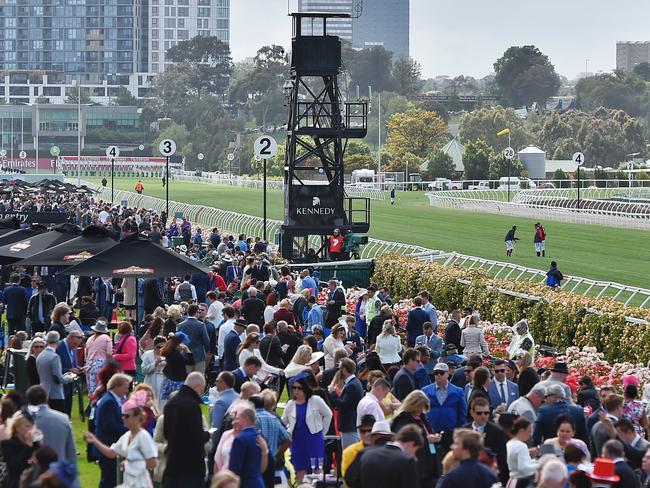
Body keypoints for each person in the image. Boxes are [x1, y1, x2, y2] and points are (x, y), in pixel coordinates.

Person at [84, 390, 158, 488]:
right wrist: (95, 440)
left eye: (126, 416)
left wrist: (131, 465)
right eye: (122, 415)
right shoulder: (126, 436)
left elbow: (152, 462)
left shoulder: (143, 437)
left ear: (137, 417)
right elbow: (111, 453)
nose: (123, 418)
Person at [282, 372, 332, 483]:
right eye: (294, 388)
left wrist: (322, 432)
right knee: (300, 470)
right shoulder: (290, 404)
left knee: (317, 470)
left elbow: (328, 414)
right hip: (297, 442)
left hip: (314, 440)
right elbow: (283, 422)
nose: (296, 390)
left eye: (299, 388)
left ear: (305, 388)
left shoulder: (316, 400)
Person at [164, 372, 210, 487]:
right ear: (198, 387)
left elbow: (166, 434)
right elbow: (197, 436)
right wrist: (207, 435)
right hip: (191, 467)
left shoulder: (170, 403)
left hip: (172, 463)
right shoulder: (192, 405)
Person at [391, 390, 440, 487]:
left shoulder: (423, 418)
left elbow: (429, 432)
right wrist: (427, 440)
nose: (421, 410)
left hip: (430, 462)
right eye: (419, 407)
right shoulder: (403, 420)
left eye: (424, 407)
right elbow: (406, 441)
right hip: (417, 463)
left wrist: (435, 437)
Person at [94, 373, 131, 488]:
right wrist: (130, 430)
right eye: (125, 387)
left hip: (110, 446)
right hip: (107, 446)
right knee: (109, 480)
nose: (127, 391)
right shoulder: (109, 401)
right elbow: (109, 426)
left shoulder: (112, 399)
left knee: (112, 479)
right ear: (116, 386)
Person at [357, 424, 423, 488]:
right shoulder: (407, 461)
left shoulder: (367, 454)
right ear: (412, 443)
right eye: (415, 450)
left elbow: (354, 481)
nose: (414, 455)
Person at [464, 397, 509, 485]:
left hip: (488, 475)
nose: (483, 416)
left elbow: (502, 457)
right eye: (479, 413)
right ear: (472, 413)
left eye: (486, 413)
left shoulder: (497, 431)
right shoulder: (465, 430)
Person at [423, 362, 467, 451]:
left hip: (451, 433)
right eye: (436, 373)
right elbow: (421, 412)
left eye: (441, 373)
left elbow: (462, 412)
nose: (438, 375)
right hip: (432, 433)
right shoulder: (425, 391)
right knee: (433, 454)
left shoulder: (458, 391)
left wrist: (460, 431)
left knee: (451, 456)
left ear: (447, 374)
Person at [228, 405, 266, 488]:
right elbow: (264, 466)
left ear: (246, 419)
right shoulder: (261, 437)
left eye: (238, 418)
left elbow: (234, 470)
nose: (235, 421)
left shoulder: (240, 439)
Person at [1, 410, 41, 488]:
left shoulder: (35, 443)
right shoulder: (7, 444)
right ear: (17, 428)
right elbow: (15, 466)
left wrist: (40, 445)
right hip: (15, 484)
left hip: (33, 482)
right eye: (27, 426)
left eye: (32, 426)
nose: (31, 429)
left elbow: (42, 462)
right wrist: (28, 445)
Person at [36, 331, 73, 414]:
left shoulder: (40, 355)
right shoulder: (54, 357)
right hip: (55, 394)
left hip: (44, 392)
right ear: (57, 341)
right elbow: (58, 379)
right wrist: (70, 377)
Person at [55, 328, 83, 416]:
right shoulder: (59, 347)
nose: (75, 346)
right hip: (59, 384)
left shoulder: (73, 348)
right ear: (69, 338)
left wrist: (79, 368)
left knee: (68, 407)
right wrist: (68, 370)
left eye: (77, 345)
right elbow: (54, 367)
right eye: (74, 344)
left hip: (69, 383)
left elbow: (73, 364)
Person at [160, 332, 195, 403]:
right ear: (178, 344)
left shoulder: (169, 352)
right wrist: (187, 350)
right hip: (178, 382)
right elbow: (192, 362)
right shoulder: (176, 355)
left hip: (169, 380)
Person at [177, 304, 210, 373]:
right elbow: (206, 342)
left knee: (186, 380)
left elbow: (177, 341)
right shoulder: (201, 325)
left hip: (185, 356)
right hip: (199, 356)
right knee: (199, 380)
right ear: (196, 312)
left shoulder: (180, 325)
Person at [506, 417, 538, 487]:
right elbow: (523, 469)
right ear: (521, 431)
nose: (530, 434)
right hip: (523, 482)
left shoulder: (509, 443)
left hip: (512, 480)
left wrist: (536, 461)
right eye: (529, 431)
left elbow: (521, 464)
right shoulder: (521, 446)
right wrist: (541, 465)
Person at [141, 336, 167, 404]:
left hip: (164, 383)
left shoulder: (167, 355)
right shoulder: (148, 355)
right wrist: (154, 363)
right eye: (158, 347)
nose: (160, 349)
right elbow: (143, 370)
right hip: (151, 382)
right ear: (154, 346)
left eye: (163, 347)